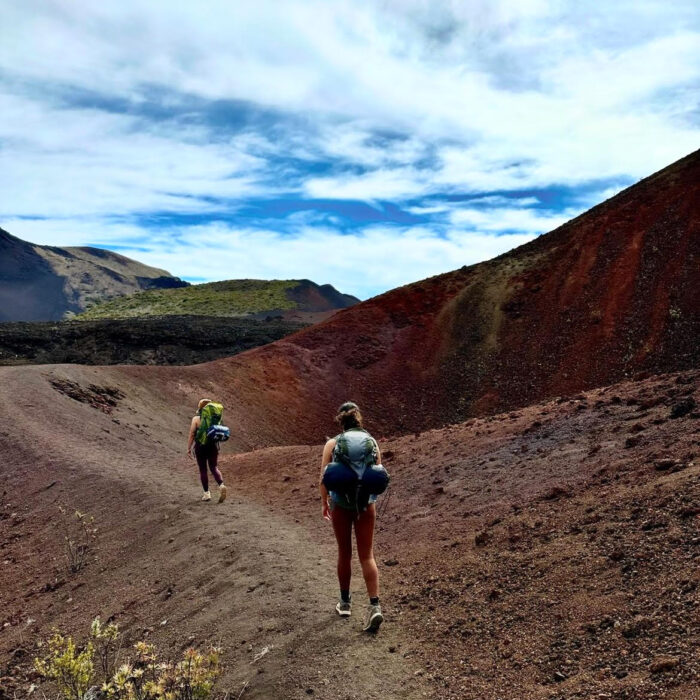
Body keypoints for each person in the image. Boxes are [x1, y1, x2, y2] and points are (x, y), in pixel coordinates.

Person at [319, 401, 383, 632]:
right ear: (359, 419)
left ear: (340, 421)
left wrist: (325, 502)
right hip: (366, 505)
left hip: (340, 505)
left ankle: (345, 603)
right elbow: (377, 473)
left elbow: (323, 478)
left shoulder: (332, 443)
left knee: (344, 553)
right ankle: (374, 606)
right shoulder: (372, 442)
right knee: (367, 555)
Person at [187, 398, 227, 503]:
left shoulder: (196, 419)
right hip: (213, 446)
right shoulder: (216, 418)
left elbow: (191, 434)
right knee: (214, 467)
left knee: (203, 469)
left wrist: (189, 448)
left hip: (200, 447)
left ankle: (206, 494)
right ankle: (221, 485)